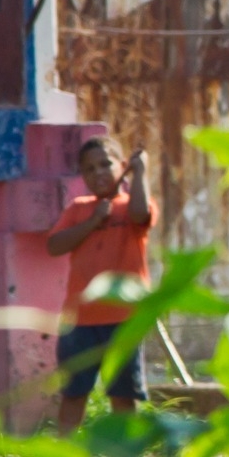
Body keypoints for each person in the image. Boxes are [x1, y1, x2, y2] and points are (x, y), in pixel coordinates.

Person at [45, 137, 156, 433]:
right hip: (79, 320)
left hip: (124, 319)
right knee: (73, 394)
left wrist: (141, 174)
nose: (99, 173)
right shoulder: (79, 209)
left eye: (106, 164)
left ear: (122, 166)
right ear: (83, 177)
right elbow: (55, 245)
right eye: (90, 169)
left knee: (123, 397)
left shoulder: (131, 204)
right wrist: (93, 221)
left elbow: (140, 215)